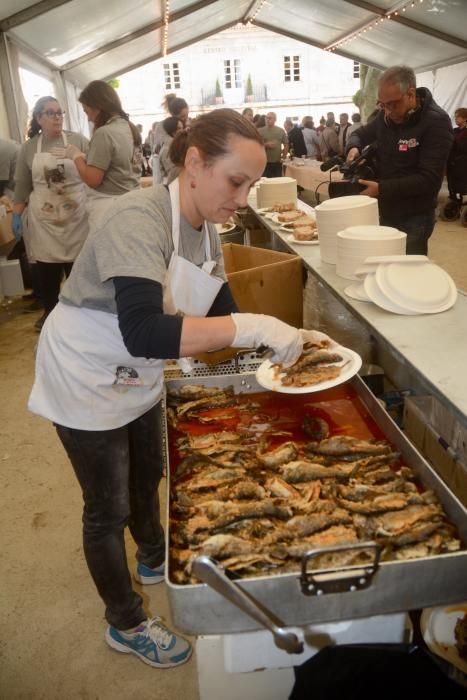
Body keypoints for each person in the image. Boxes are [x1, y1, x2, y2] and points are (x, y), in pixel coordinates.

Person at [28, 108, 317, 670]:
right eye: (236, 181)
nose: (244, 196)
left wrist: (281, 336)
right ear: (193, 162)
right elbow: (143, 330)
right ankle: (126, 621)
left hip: (139, 370)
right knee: (105, 508)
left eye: (252, 184)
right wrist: (251, 329)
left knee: (149, 470)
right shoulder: (138, 218)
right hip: (89, 369)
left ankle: (155, 556)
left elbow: (216, 303)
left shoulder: (204, 220)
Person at [346, 65, 453, 255]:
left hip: (415, 216)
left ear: (411, 94)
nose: (387, 111)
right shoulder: (386, 116)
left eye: (393, 104)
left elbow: (429, 179)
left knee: (408, 274)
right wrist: (353, 147)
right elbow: (360, 134)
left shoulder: (436, 122)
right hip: (386, 209)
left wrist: (381, 188)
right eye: (382, 104)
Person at [13, 96, 89, 330]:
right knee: (47, 270)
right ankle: (50, 314)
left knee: (79, 270)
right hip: (44, 219)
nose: (57, 117)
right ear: (38, 118)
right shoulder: (28, 148)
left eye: (60, 112)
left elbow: (92, 174)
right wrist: (17, 213)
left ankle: (83, 316)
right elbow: (23, 185)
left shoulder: (77, 141)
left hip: (77, 217)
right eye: (51, 113)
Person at [56, 80, 142, 231]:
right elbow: (116, 163)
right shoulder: (127, 126)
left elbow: (92, 179)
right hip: (130, 201)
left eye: (87, 112)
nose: (88, 119)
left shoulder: (104, 133)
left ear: (98, 107)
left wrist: (75, 156)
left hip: (110, 207)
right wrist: (87, 158)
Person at [446, 107, 467, 202]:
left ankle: (462, 200)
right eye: (455, 117)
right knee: (451, 182)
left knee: (461, 183)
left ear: (465, 118)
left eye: (458, 117)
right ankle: (453, 199)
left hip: (462, 162)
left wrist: (454, 143)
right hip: (452, 161)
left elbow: (462, 147)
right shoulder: (454, 130)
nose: (455, 118)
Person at [258, 112, 288, 176]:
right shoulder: (259, 131)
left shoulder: (280, 130)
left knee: (277, 182)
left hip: (277, 162)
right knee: (265, 182)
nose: (267, 120)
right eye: (266, 118)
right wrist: (265, 145)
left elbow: (286, 144)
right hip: (264, 162)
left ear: (275, 120)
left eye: (270, 118)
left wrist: (284, 156)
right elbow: (255, 145)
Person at [158, 116, 184, 184]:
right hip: (171, 186)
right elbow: (173, 173)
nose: (182, 131)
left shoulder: (175, 144)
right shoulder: (168, 148)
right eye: (179, 128)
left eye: (182, 128)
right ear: (171, 130)